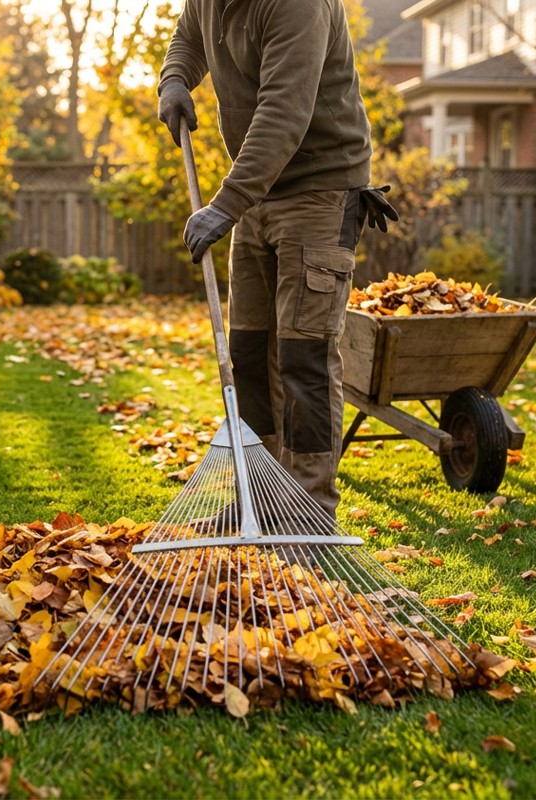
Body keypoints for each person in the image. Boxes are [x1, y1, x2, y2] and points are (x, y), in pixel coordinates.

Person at [157, 0, 397, 519]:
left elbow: (284, 110)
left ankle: (310, 511)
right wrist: (175, 78)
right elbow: (190, 34)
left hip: (320, 185)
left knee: (302, 357)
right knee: (248, 350)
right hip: (259, 190)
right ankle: (261, 500)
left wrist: (224, 206)